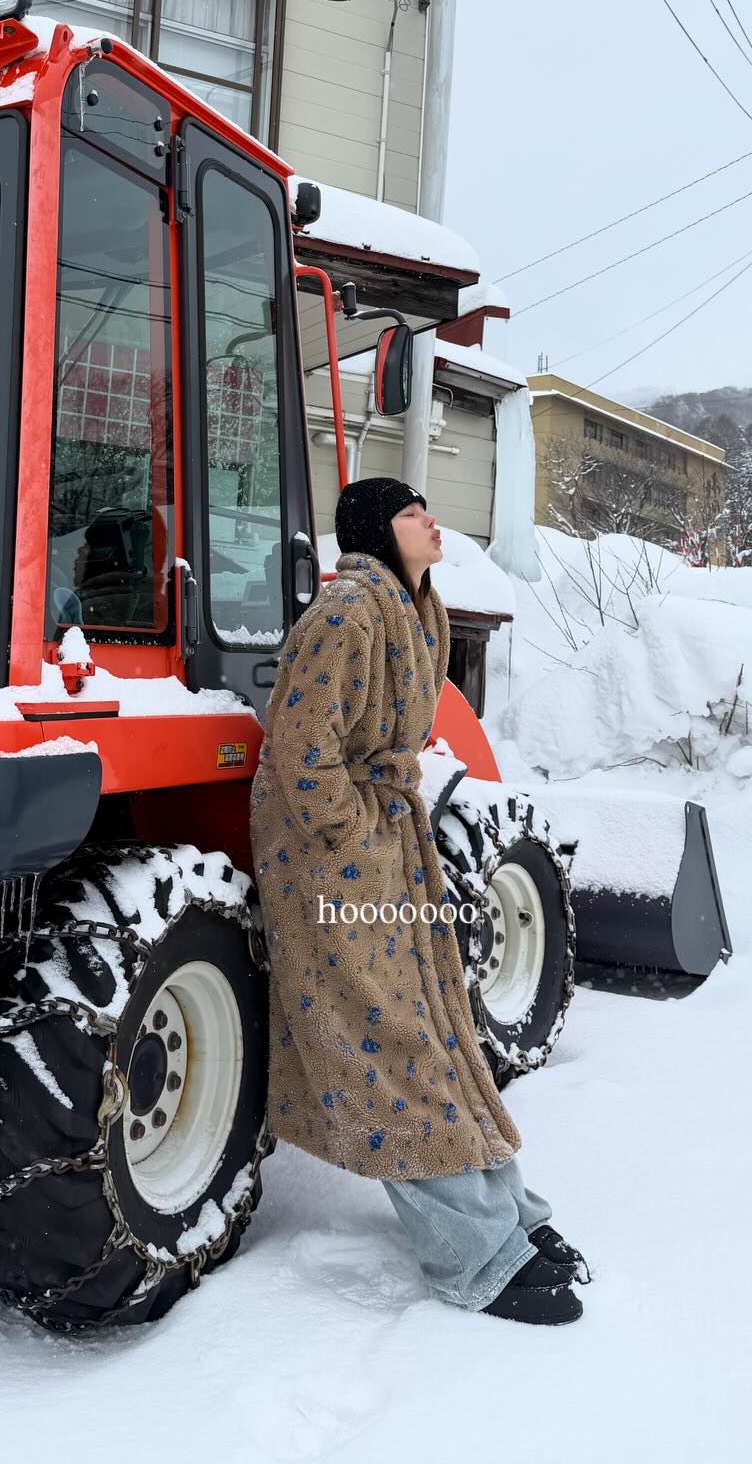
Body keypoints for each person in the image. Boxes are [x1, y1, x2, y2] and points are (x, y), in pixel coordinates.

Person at [249, 475, 589, 1325]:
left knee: (438, 1023)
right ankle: (468, 1251)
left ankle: (504, 1212)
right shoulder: (346, 614)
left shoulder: (413, 608)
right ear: (374, 530)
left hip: (385, 845)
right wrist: (350, 828)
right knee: (385, 1037)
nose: (432, 522)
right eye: (411, 512)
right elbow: (300, 741)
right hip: (334, 857)